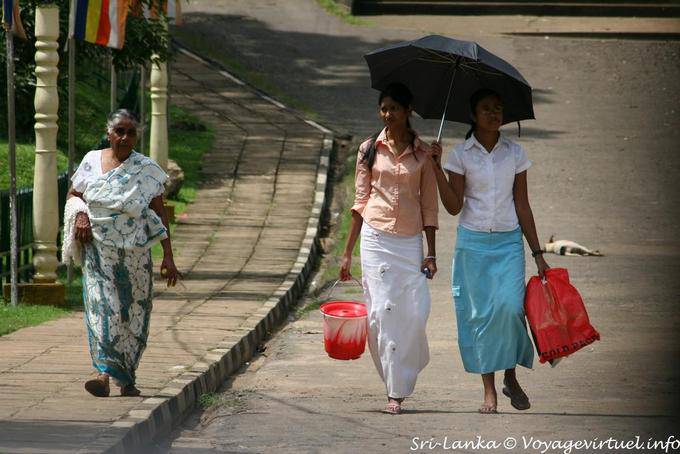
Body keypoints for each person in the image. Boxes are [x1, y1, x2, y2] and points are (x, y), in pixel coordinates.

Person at [429, 88, 550, 414]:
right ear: (473, 115)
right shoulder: (460, 155)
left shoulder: (514, 153)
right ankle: (489, 391)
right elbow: (454, 207)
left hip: (509, 242)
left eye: (498, 108)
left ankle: (510, 377)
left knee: (511, 309)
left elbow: (523, 205)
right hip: (474, 245)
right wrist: (438, 169)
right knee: (480, 317)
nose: (494, 114)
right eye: (486, 109)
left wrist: (538, 253)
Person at [64, 109, 181, 397]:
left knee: (133, 314)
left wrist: (168, 255)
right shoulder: (92, 162)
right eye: (120, 131)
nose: (125, 137)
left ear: (137, 136)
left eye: (130, 132)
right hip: (99, 252)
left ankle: (126, 377)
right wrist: (80, 214)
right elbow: (73, 195)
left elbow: (158, 210)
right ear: (109, 134)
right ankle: (103, 374)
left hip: (136, 256)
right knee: (104, 309)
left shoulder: (147, 169)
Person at [340, 83, 438, 415]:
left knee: (415, 311)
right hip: (375, 239)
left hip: (410, 241)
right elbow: (360, 202)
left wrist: (432, 252)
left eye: (395, 108)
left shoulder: (423, 154)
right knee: (381, 312)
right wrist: (347, 251)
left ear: (408, 110)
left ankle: (411, 362)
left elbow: (430, 207)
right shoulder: (369, 149)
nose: (388, 114)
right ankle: (394, 390)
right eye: (384, 108)